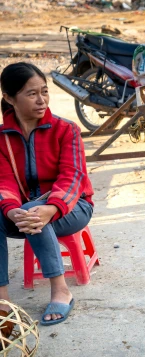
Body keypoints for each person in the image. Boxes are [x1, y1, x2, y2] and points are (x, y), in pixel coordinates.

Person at [0, 62, 94, 325]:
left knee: (34, 211)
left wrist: (51, 208)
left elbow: (73, 177)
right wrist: (10, 209)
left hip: (73, 207)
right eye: (31, 94)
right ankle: (2, 301)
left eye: (44, 92)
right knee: (19, 211)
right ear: (9, 98)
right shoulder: (2, 139)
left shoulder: (66, 130)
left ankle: (61, 290)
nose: (41, 100)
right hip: (25, 210)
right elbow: (4, 182)